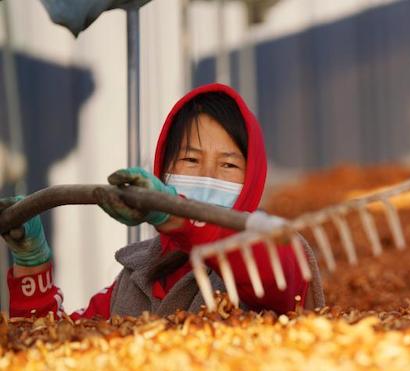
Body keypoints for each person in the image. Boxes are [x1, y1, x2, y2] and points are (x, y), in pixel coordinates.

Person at [2, 83, 308, 319]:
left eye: (228, 165)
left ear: (252, 176)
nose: (207, 175)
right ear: (164, 170)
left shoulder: (275, 246)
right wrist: (32, 266)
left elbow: (276, 279)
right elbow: (53, 351)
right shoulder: (135, 280)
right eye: (190, 159)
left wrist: (178, 217)